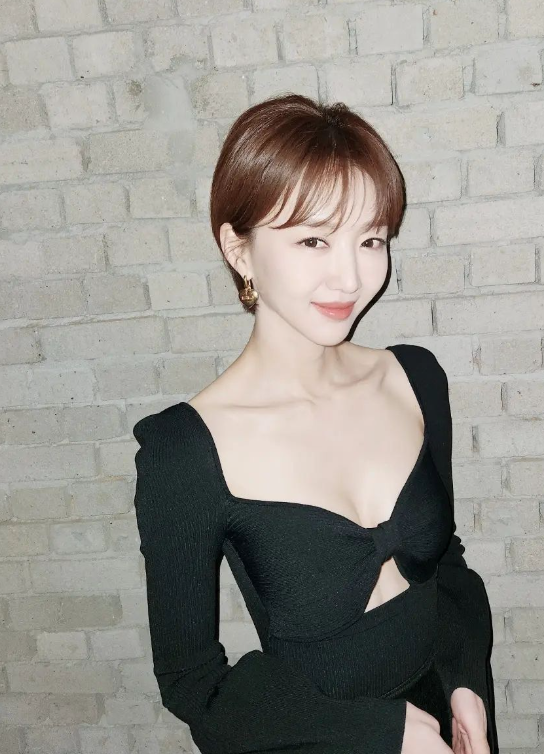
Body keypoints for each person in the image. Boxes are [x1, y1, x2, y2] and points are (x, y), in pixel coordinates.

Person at [132, 94, 499, 754]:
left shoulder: (413, 378)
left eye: (370, 240)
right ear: (239, 249)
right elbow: (192, 683)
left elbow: (447, 566)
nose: (350, 276)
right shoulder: (185, 451)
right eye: (313, 240)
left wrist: (465, 682)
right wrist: (383, 733)